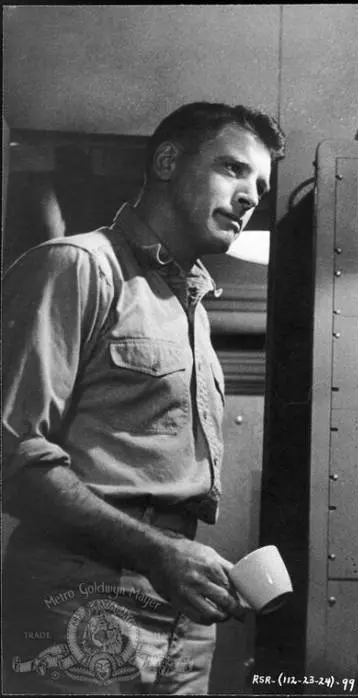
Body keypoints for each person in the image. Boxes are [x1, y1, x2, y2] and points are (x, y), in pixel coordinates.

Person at [1, 101, 286, 693]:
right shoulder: (78, 267)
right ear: (167, 162)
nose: (250, 197)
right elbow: (13, 456)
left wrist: (171, 560)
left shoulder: (191, 307)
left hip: (181, 597)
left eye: (260, 186)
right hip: (80, 593)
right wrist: (157, 552)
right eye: (233, 169)